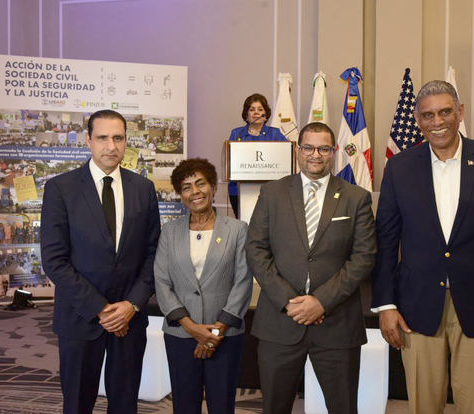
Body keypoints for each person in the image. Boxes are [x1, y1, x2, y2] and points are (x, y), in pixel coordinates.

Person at [372, 80, 474, 414]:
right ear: (417, 120)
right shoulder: (400, 168)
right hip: (416, 309)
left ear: (460, 112)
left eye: (446, 111)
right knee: (422, 406)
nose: (438, 121)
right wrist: (385, 304)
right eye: (428, 115)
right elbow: (386, 242)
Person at [246, 122, 376, 414]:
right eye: (308, 147)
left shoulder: (356, 198)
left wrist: (321, 302)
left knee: (343, 408)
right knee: (274, 408)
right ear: (298, 150)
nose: (315, 155)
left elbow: (364, 256)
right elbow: (255, 250)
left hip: (336, 326)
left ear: (334, 151)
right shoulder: (272, 193)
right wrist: (289, 302)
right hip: (280, 324)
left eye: (323, 148)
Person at [40, 109, 161, 414]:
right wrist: (102, 310)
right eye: (103, 138)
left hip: (129, 320)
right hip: (80, 318)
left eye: (118, 138)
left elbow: (153, 254)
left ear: (126, 142)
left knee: (124, 404)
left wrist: (131, 306)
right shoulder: (60, 189)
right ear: (88, 141)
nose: (111, 146)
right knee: (78, 403)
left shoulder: (143, 189)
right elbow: (55, 260)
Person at [154, 158, 252, 414]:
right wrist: (192, 328)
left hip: (225, 335)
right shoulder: (169, 231)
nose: (195, 192)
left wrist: (215, 334)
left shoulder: (238, 230)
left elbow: (243, 281)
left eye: (200, 184)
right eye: (186, 187)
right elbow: (162, 282)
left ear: (213, 187)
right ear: (180, 194)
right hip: (180, 334)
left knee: (222, 405)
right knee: (185, 405)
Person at [227, 93, 287, 218]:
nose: (256, 113)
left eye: (260, 110)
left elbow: (286, 157)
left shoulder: (275, 134)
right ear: (246, 115)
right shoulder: (237, 134)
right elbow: (229, 159)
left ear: (266, 116)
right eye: (252, 109)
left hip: (271, 191)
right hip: (238, 190)